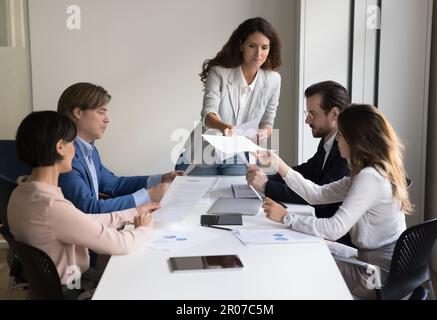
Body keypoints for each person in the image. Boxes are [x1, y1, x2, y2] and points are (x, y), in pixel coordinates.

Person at [256, 105, 411, 299]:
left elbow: (334, 228)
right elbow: (317, 194)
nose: (337, 140)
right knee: (312, 246)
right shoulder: (372, 171)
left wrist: (287, 217)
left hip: (377, 277)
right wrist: (279, 165)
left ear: (356, 141)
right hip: (381, 265)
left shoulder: (370, 178)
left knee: (301, 261)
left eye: (341, 135)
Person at [8, 111, 159, 298]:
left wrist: (133, 212)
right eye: (73, 143)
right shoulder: (51, 207)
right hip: (74, 289)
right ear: (60, 147)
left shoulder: (21, 193)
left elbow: (80, 221)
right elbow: (120, 244)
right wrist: (144, 229)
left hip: (54, 287)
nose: (75, 151)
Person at [246, 81, 352, 245]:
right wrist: (269, 178)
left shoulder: (346, 151)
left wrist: (267, 186)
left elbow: (322, 199)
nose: (307, 120)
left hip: (339, 240)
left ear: (334, 114)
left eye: (312, 114)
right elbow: (310, 170)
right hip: (322, 228)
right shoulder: (329, 139)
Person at [176, 17, 282, 175]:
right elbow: (208, 114)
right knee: (194, 196)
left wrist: (264, 133)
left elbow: (268, 121)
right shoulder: (219, 72)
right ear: (241, 45)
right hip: (204, 150)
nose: (258, 54)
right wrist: (225, 127)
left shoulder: (273, 80)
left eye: (264, 47)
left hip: (238, 155)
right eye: (252, 46)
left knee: (239, 197)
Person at [57, 82, 183, 214]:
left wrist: (162, 179)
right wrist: (148, 196)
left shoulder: (91, 151)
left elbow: (114, 184)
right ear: (78, 112)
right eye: (101, 112)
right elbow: (89, 209)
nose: (107, 119)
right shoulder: (62, 155)